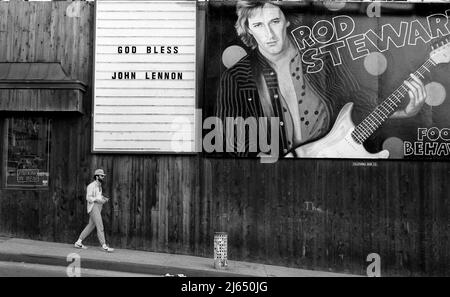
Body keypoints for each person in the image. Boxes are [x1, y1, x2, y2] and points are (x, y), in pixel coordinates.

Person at [216, 0, 426, 157]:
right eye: (258, 25)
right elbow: (230, 142)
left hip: (331, 164)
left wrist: (402, 113)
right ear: (248, 28)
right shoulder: (236, 77)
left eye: (274, 21)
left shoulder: (321, 59)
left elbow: (359, 103)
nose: (269, 34)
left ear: (287, 21)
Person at [74, 169, 114, 252]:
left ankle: (78, 242)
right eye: (101, 176)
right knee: (100, 225)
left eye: (103, 176)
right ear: (97, 176)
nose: (103, 177)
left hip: (98, 207)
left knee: (90, 226)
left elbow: (98, 196)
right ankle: (104, 245)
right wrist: (98, 200)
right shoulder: (91, 186)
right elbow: (88, 198)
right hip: (93, 207)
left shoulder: (99, 185)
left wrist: (103, 198)